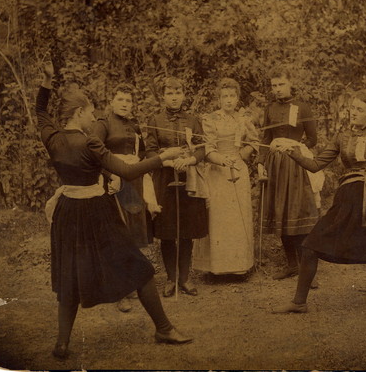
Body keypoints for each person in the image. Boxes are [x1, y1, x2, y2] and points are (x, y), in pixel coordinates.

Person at [36, 64, 192, 360]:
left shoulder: (52, 138)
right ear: (79, 112)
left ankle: (62, 343)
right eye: (91, 112)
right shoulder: (90, 142)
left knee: (70, 275)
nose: (94, 117)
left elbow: (41, 112)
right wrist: (163, 157)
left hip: (67, 213)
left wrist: (45, 82)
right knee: (140, 268)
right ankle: (164, 328)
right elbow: (127, 169)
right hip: (96, 212)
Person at [272, 58, 366, 316]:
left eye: (360, 109)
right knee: (310, 245)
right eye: (352, 108)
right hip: (347, 199)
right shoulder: (342, 136)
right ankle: (299, 302)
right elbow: (316, 164)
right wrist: (292, 151)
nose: (354, 112)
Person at [92, 83, 159, 313]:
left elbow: (141, 154)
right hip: (113, 181)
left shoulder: (135, 125)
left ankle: (133, 284)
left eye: (128, 101)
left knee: (132, 233)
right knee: (116, 232)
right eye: (120, 99)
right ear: (112, 100)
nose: (124, 104)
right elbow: (94, 156)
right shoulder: (102, 124)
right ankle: (119, 289)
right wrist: (111, 176)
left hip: (134, 180)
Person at [145, 77, 208, 297]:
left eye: (178, 92)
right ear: (163, 96)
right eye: (170, 93)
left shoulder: (193, 120)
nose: (174, 97)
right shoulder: (155, 119)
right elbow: (150, 151)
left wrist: (190, 160)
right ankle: (171, 278)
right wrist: (167, 160)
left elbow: (202, 149)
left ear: (183, 95)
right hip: (164, 179)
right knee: (167, 230)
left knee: (187, 229)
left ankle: (185, 278)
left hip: (188, 177)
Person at [257, 68, 320, 281]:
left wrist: (297, 147)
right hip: (276, 165)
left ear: (290, 84)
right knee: (281, 212)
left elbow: (312, 138)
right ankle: (291, 264)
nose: (277, 89)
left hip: (296, 165)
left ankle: (305, 268)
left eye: (281, 85)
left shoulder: (302, 107)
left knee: (298, 213)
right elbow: (266, 139)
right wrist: (260, 163)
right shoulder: (270, 108)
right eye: (274, 86)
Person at [193, 78, 259, 275]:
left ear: (238, 98)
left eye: (232, 96)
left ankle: (239, 266)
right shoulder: (211, 119)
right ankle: (217, 267)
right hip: (217, 172)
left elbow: (254, 142)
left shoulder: (244, 119)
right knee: (219, 218)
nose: (228, 100)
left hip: (238, 170)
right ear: (218, 99)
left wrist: (241, 155)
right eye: (224, 96)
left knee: (237, 217)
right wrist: (221, 160)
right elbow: (207, 149)